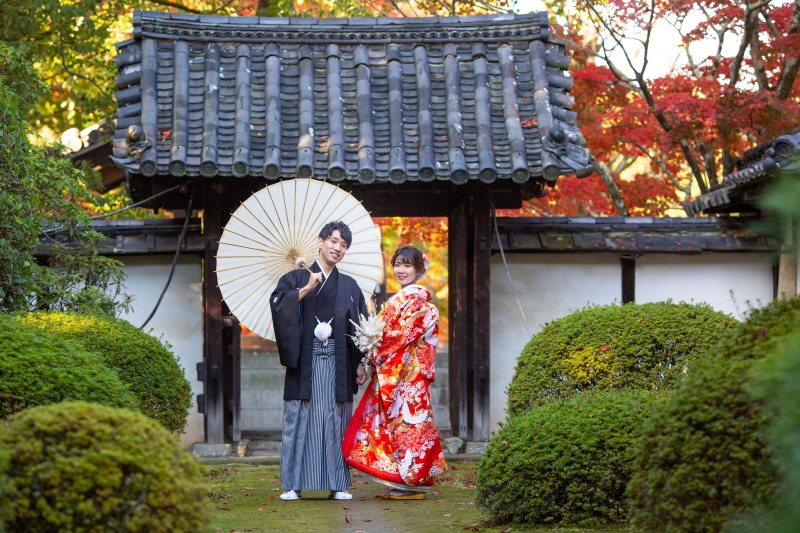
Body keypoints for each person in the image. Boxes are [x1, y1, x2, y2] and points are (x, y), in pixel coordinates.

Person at [270, 221, 368, 501]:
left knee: (335, 419)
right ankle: (292, 485)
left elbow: (360, 325)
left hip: (338, 362)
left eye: (344, 245)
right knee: (299, 418)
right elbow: (277, 306)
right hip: (306, 361)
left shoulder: (349, 285)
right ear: (321, 241)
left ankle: (338, 484)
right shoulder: (295, 278)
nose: (338, 248)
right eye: (334, 241)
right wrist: (303, 290)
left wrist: (361, 362)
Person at [342, 245, 447, 500]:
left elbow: (397, 338)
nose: (401, 270)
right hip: (398, 374)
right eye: (397, 264)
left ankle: (413, 480)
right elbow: (387, 336)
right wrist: (371, 346)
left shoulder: (421, 304)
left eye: (407, 265)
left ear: (419, 269)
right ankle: (402, 481)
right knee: (396, 425)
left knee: (410, 426)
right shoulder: (400, 300)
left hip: (408, 377)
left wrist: (373, 343)